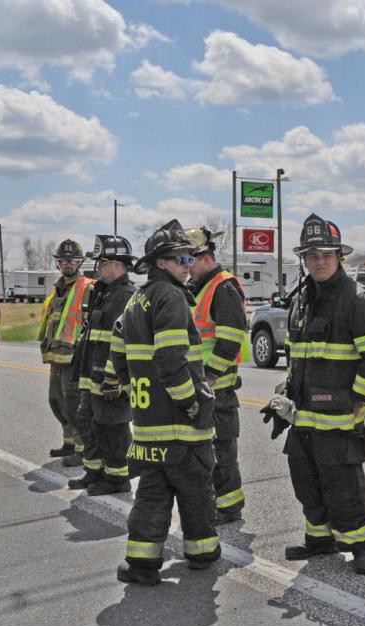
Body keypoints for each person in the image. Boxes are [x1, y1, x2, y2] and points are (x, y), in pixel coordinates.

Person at [264, 214, 365, 575]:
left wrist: (356, 401)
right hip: (302, 418)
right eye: (311, 254)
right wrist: (284, 396)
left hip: (339, 418)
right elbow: (296, 357)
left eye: (326, 254)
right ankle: (320, 540)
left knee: (344, 487)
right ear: (304, 260)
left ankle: (361, 548)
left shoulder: (358, 300)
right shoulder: (302, 300)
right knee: (306, 482)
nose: (319, 260)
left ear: (340, 256)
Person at [109, 219, 219, 585]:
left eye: (190, 259)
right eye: (181, 260)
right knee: (195, 491)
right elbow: (172, 362)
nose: (189, 266)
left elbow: (117, 354)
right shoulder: (170, 297)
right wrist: (190, 402)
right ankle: (202, 553)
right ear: (160, 262)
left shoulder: (136, 300)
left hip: (147, 424)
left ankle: (141, 564)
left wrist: (133, 389)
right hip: (179, 425)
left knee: (152, 496)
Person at [186, 226, 250, 524]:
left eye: (189, 261)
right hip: (202, 386)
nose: (186, 268)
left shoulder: (223, 287)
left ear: (206, 258)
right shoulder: (199, 288)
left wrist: (210, 376)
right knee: (206, 450)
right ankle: (216, 502)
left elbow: (231, 338)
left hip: (218, 388)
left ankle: (228, 507)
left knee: (222, 451)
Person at [69, 235, 137, 495]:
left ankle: (118, 480)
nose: (97, 267)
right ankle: (94, 472)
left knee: (113, 429)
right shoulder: (105, 292)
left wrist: (114, 378)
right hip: (93, 374)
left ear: (117, 264)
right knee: (90, 422)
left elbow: (122, 343)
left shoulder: (126, 296)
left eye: (102, 262)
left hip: (110, 378)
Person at [37, 240, 95, 466]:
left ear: (79, 263)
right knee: (56, 401)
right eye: (63, 261)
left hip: (75, 358)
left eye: (71, 260)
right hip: (56, 357)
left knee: (74, 404)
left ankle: (83, 450)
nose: (67, 264)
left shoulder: (88, 287)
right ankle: (69, 442)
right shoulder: (56, 289)